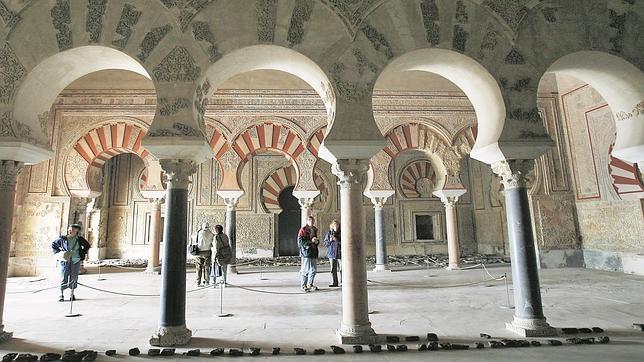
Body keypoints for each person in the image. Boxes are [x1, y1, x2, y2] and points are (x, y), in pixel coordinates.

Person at [51, 224, 91, 302]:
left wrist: (82, 252)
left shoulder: (79, 239)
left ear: (76, 231)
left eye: (72, 229)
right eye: (69, 229)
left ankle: (72, 294)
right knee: (63, 276)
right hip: (65, 260)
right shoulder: (63, 239)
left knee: (74, 277)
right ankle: (61, 294)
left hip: (75, 260)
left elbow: (87, 245)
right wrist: (58, 253)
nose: (70, 231)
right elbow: (54, 245)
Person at [298, 216, 319, 292]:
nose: (311, 222)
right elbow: (301, 242)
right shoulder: (303, 230)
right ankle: (303, 285)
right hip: (306, 253)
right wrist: (311, 241)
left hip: (313, 252)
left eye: (313, 220)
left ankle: (310, 284)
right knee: (305, 270)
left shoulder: (314, 229)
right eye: (310, 220)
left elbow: (314, 240)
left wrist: (316, 242)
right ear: (307, 221)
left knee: (313, 269)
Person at [190, 222, 214, 286]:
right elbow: (213, 242)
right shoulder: (211, 234)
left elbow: (193, 237)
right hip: (207, 252)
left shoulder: (199, 233)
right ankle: (207, 281)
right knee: (207, 267)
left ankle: (198, 282)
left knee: (198, 268)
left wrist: (197, 230)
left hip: (199, 253)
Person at [323, 220, 341, 287]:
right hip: (331, 253)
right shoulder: (329, 233)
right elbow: (325, 244)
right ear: (332, 226)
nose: (336, 227)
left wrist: (337, 240)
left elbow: (345, 243)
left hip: (340, 253)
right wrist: (330, 241)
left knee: (342, 269)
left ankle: (343, 282)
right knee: (333, 269)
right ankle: (334, 282)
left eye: (337, 225)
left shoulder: (341, 233)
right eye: (334, 225)